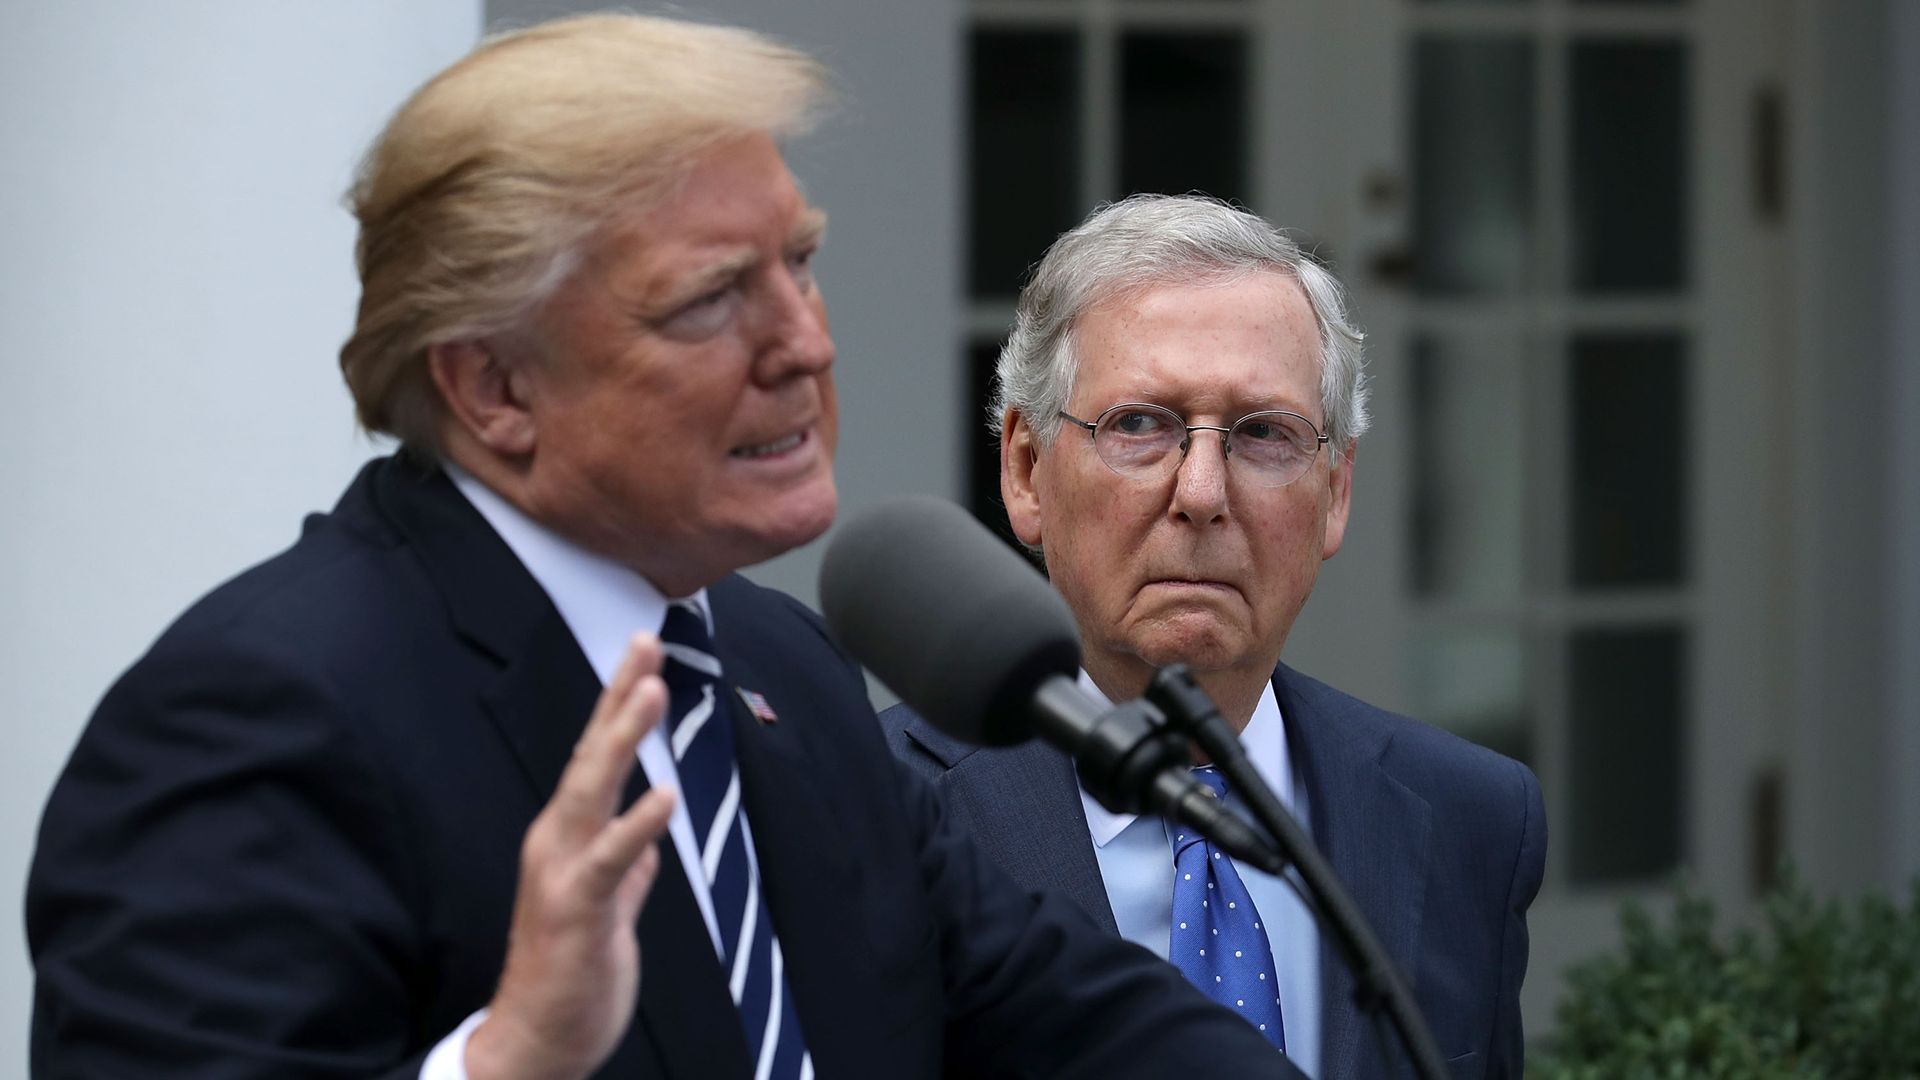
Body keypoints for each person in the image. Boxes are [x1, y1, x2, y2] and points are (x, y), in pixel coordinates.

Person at [25, 19, 1300, 1080]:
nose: (804, 342)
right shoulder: (254, 716)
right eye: (708, 300)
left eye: (798, 262)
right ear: (492, 387)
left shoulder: (773, 666)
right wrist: (509, 1058)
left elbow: (1068, 1016)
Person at [882, 194, 1547, 1079]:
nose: (1201, 490)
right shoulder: (872, 812)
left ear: (1337, 492)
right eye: (1140, 425)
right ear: (1027, 469)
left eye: (1263, 434)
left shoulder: (1469, 818)